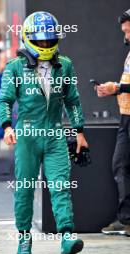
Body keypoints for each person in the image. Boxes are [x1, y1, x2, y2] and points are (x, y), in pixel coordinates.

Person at [0, 11, 88, 254]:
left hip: (55, 134)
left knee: (60, 186)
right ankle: (24, 238)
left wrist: (79, 131)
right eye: (41, 40)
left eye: (50, 40)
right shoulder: (15, 67)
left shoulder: (65, 65)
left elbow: (73, 101)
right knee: (25, 188)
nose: (47, 44)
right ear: (28, 38)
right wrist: (7, 126)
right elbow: (4, 100)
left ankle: (67, 237)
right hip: (26, 135)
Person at [96, 9, 130, 236]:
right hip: (126, 117)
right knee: (120, 166)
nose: (126, 35)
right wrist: (112, 90)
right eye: (124, 31)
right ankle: (127, 219)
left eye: (128, 30)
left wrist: (117, 88)